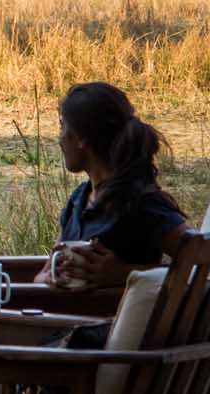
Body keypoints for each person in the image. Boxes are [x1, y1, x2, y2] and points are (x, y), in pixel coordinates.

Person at [37, 82, 189, 290]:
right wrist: (52, 277)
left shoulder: (141, 203)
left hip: (112, 322)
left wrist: (123, 273)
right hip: (64, 319)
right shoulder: (80, 200)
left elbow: (199, 262)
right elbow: (41, 276)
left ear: (82, 139)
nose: (59, 138)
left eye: (62, 127)